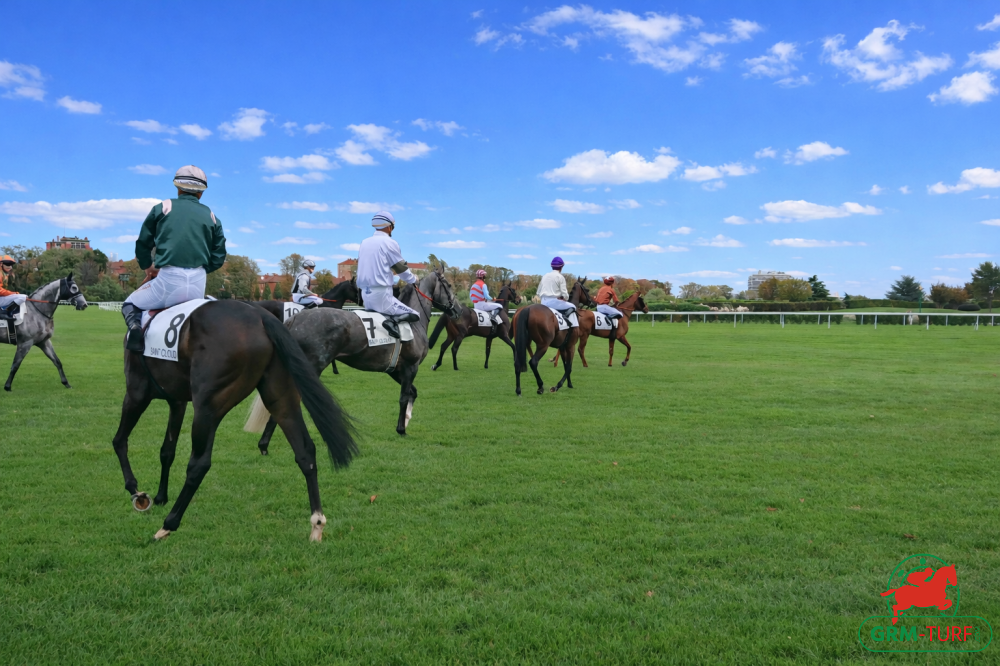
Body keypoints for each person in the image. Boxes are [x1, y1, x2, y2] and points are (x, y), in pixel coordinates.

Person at [121, 165, 227, 352]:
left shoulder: (162, 207)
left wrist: (148, 266)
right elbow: (218, 256)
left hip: (168, 281)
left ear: (177, 188)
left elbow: (143, 244)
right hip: (198, 285)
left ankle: (136, 332)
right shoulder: (212, 217)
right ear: (201, 193)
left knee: (130, 303)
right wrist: (199, 269)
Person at [356, 211, 419, 339]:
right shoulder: (390, 242)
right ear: (389, 226)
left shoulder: (364, 242)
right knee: (415, 314)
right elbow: (400, 268)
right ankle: (392, 323)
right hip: (382, 296)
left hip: (365, 296)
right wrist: (413, 279)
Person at [537, 256, 578, 325]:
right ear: (561, 267)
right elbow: (565, 295)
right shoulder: (560, 277)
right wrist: (563, 298)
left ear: (552, 266)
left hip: (543, 302)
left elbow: (538, 292)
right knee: (573, 306)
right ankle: (569, 323)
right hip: (554, 302)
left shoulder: (545, 276)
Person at [0, 254, 26, 321]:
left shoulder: (4, 274)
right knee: (23, 297)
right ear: (1, 264)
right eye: (8, 265)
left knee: (21, 296)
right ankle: (7, 312)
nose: (10, 267)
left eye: (11, 265)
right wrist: (12, 293)